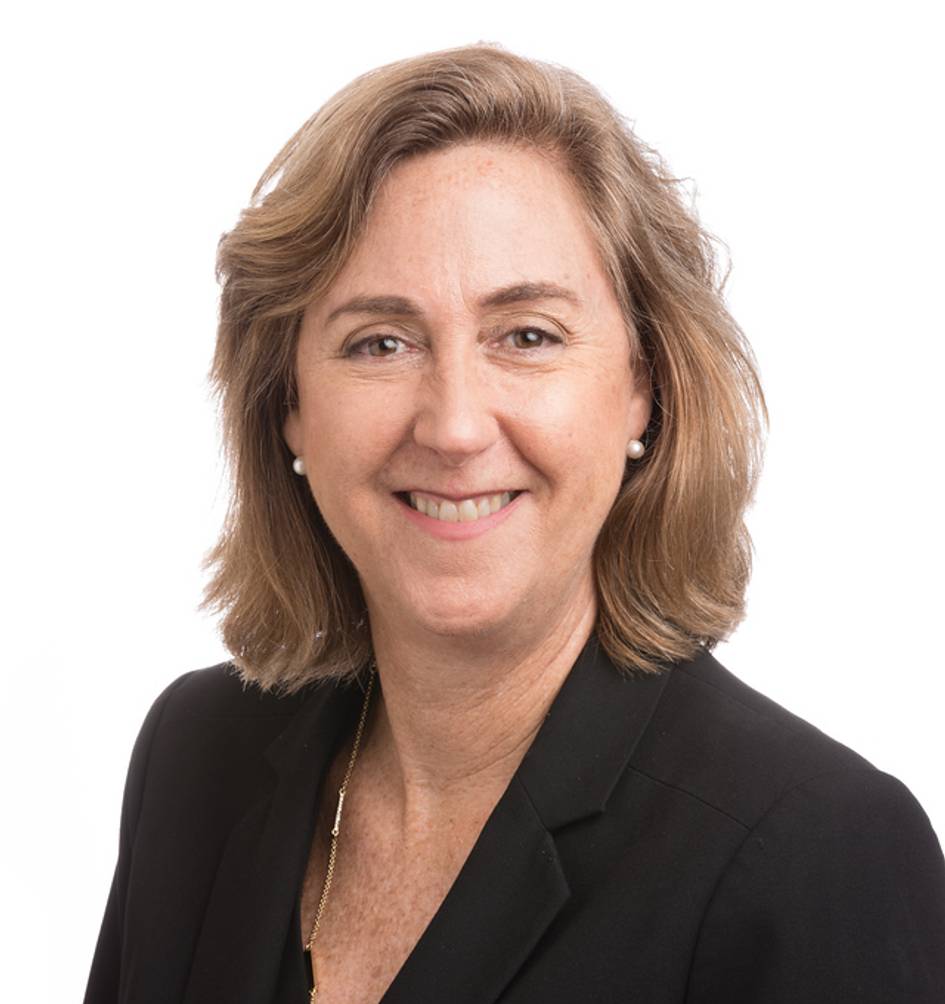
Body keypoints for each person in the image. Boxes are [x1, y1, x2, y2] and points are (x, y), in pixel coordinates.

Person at [83, 42, 945, 1004]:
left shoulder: (817, 854)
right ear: (287, 405)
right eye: (380, 341)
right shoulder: (199, 757)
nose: (453, 426)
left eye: (526, 335)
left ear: (640, 391)